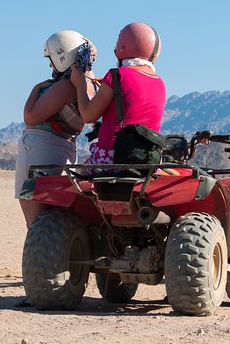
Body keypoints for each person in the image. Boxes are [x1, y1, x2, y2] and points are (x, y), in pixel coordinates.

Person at [15, 30, 98, 229]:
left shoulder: (65, 86)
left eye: (52, 59)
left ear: (62, 57)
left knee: (36, 223)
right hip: (64, 148)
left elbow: (30, 117)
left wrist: (37, 87)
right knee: (53, 216)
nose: (51, 65)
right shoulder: (89, 83)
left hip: (40, 149)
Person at [71, 22, 166, 165]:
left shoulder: (116, 76)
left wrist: (80, 84)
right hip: (146, 160)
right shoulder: (159, 82)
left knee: (77, 176)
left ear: (122, 47)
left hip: (115, 157)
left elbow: (88, 116)